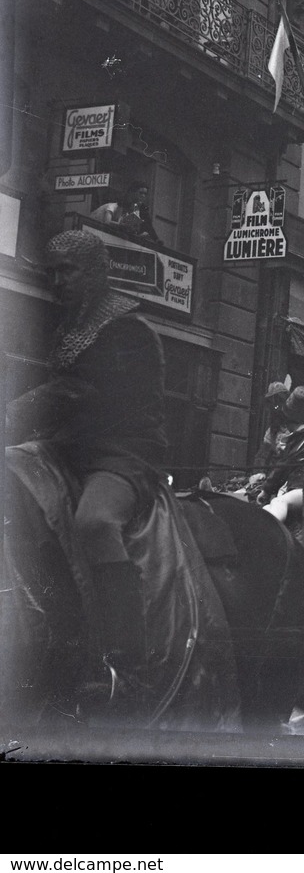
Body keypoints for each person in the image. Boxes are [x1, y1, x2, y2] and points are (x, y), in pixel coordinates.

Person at [6, 230, 168, 704]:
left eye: (68, 270)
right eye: (52, 271)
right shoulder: (70, 329)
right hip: (70, 450)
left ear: (96, 272)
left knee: (95, 524)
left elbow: (84, 394)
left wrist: (13, 414)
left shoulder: (127, 329)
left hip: (123, 453)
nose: (58, 281)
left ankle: (126, 662)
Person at [258, 386, 304, 526]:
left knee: (279, 502)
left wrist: (266, 489)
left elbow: (285, 464)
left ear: (293, 420)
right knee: (268, 508)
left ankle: (267, 533)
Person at [91, 183, 161, 244]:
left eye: (145, 194)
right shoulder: (112, 207)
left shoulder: (126, 213)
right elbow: (107, 222)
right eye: (140, 193)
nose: (143, 196)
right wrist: (122, 226)